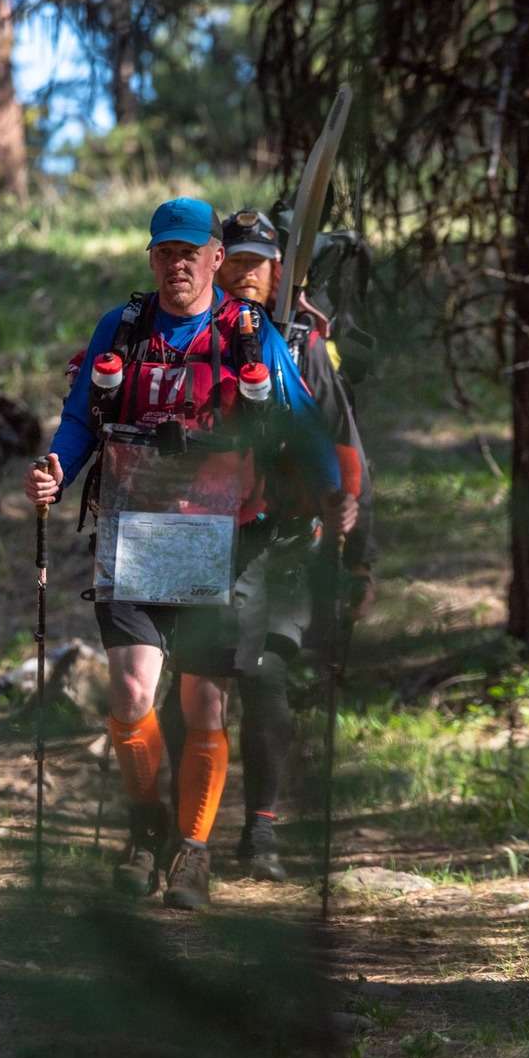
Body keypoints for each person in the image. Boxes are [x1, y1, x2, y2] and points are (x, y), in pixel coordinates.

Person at [25, 197, 353, 911]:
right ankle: (147, 829)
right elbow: (82, 418)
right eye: (165, 252)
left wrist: (332, 492)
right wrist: (57, 468)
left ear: (215, 258)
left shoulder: (248, 333)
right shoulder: (123, 328)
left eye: (190, 253)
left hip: (220, 540)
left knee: (204, 702)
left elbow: (301, 420)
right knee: (131, 693)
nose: (178, 264)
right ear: (152, 259)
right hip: (133, 533)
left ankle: (193, 853)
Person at [160, 208, 375, 881]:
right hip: (200, 532)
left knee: (265, 677)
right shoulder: (192, 336)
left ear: (279, 271)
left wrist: (358, 549)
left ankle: (261, 832)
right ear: (217, 264)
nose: (247, 276)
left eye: (260, 264)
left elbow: (343, 447)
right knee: (190, 685)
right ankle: (175, 830)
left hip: (283, 540)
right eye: (239, 263)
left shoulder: (304, 347)